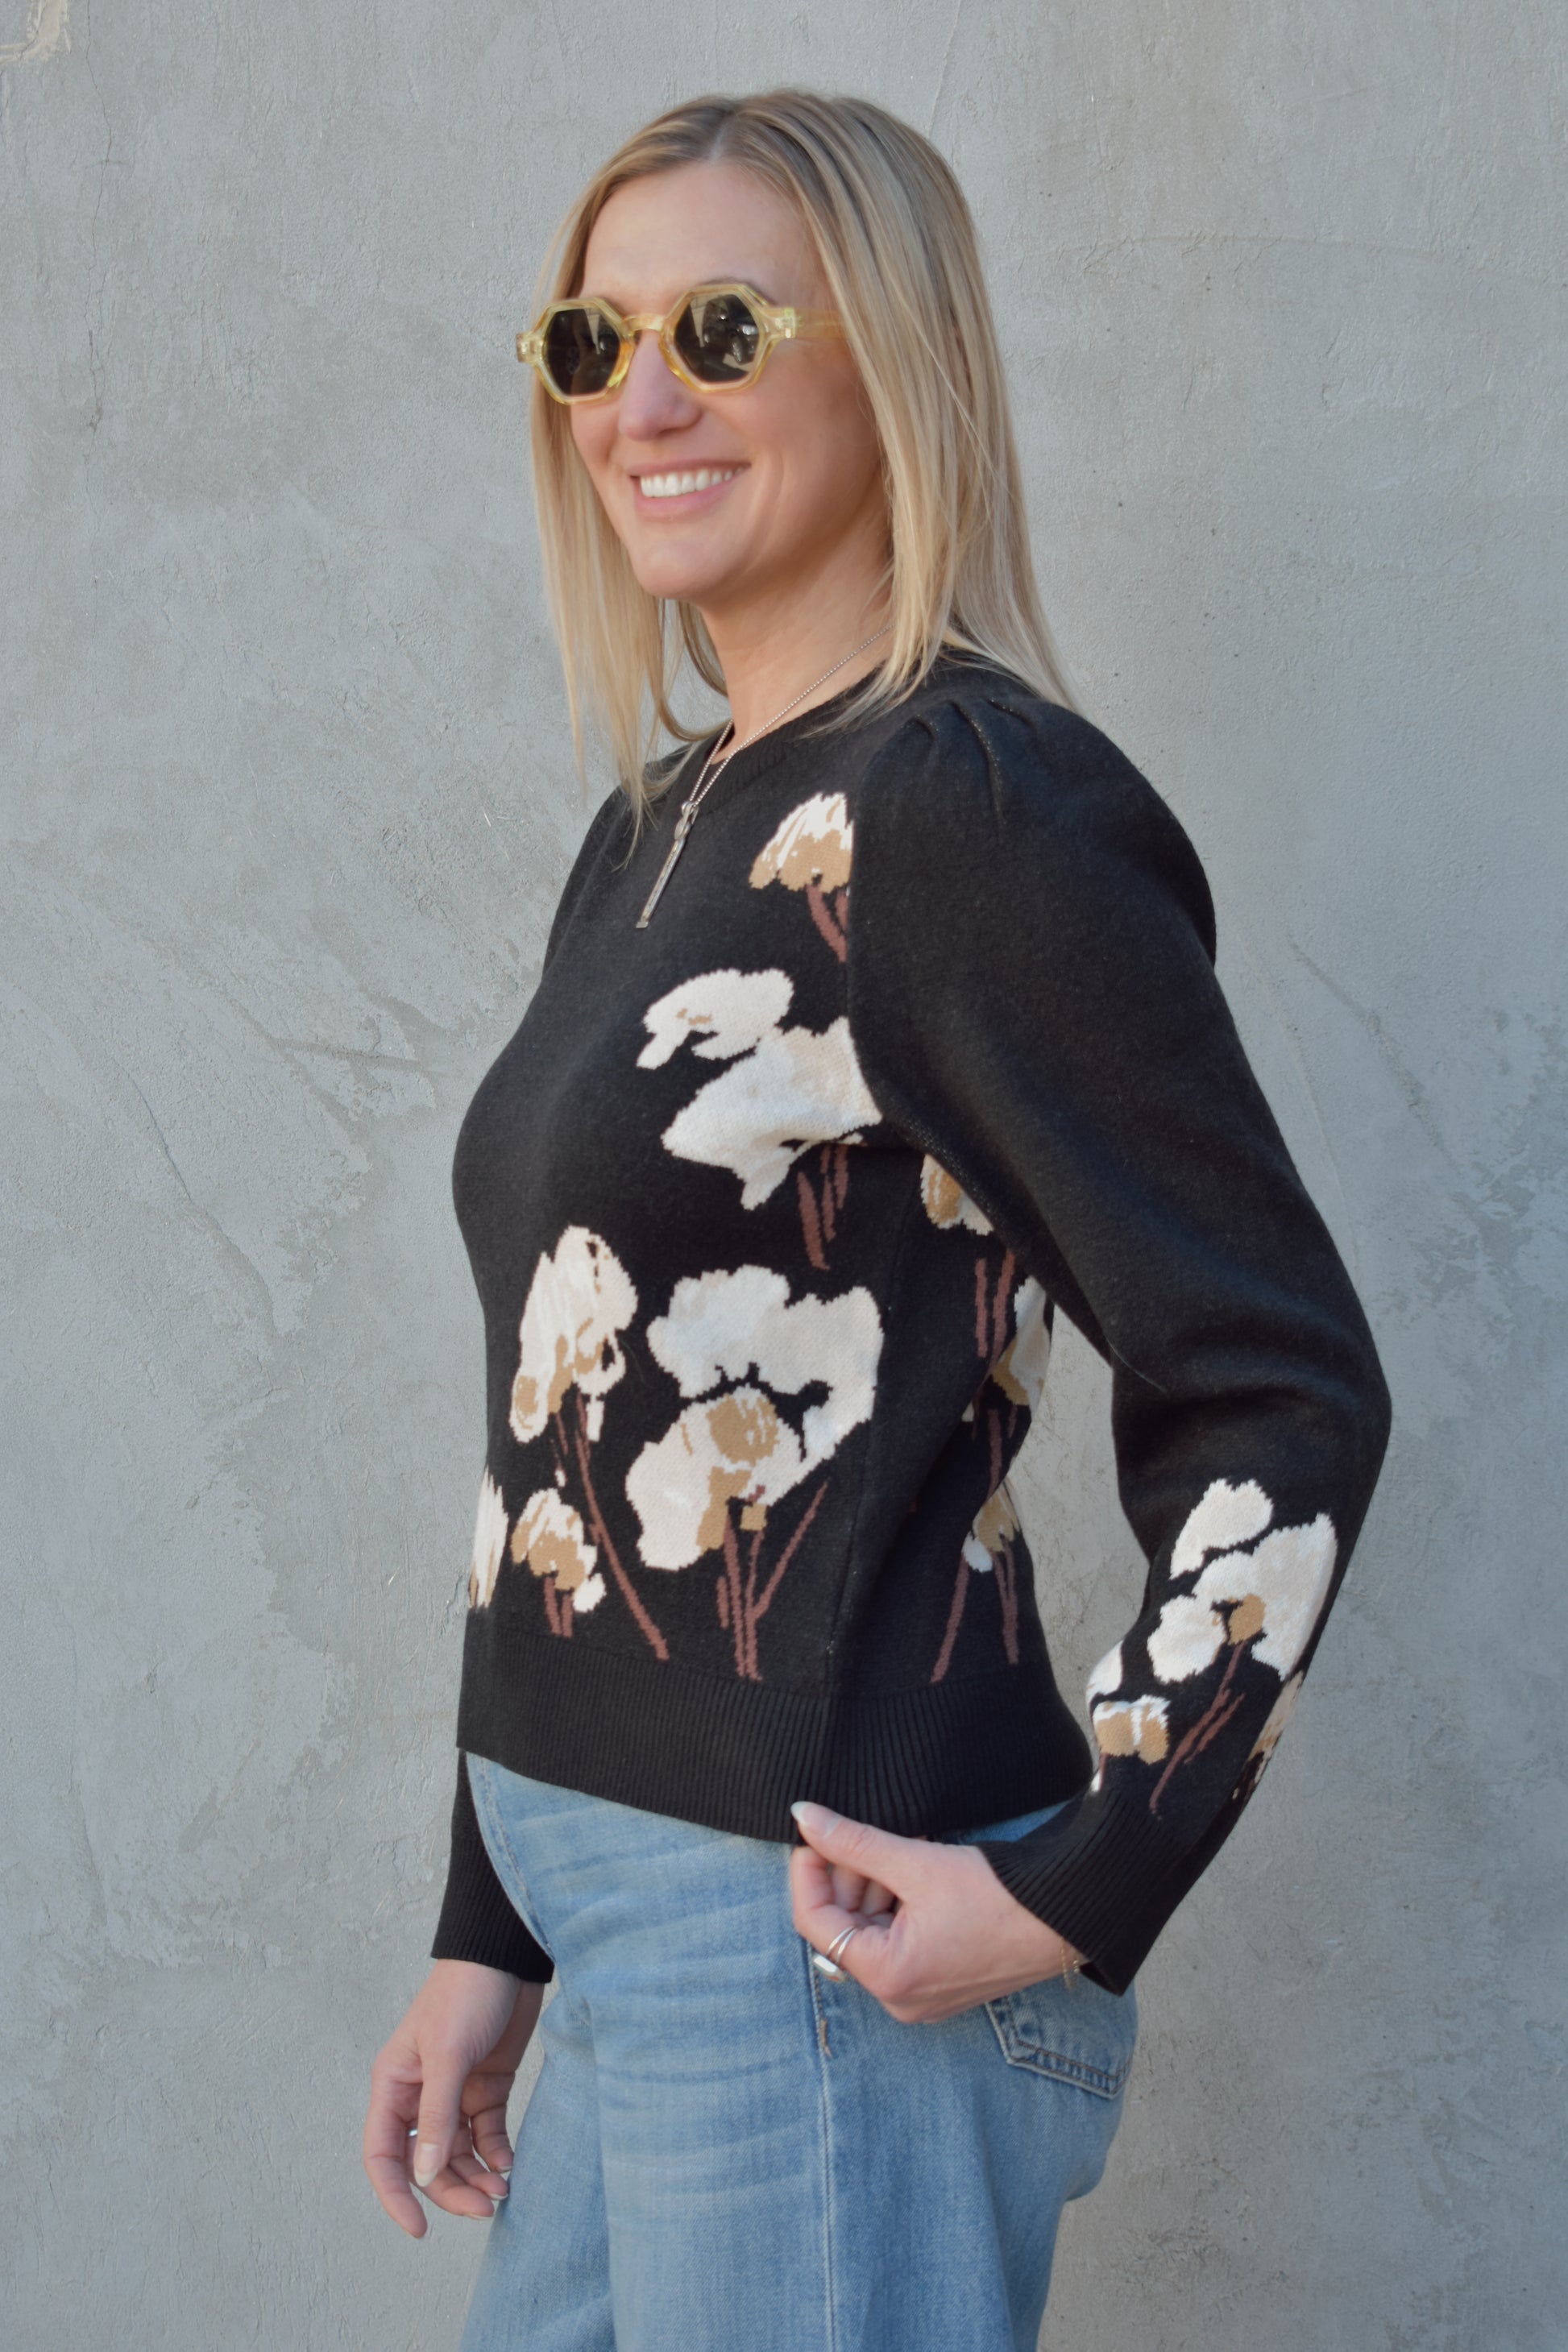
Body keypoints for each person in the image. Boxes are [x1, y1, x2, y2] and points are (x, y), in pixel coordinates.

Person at [361, 89, 1390, 2352]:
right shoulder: (663, 823)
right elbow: (564, 1420)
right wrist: (492, 1926)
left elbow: (1276, 1387)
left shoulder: (969, 810)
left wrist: (1082, 1880)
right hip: (624, 1913)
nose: (641, 402)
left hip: (807, 1935)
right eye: (588, 342)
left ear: (888, 357)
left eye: (716, 327)